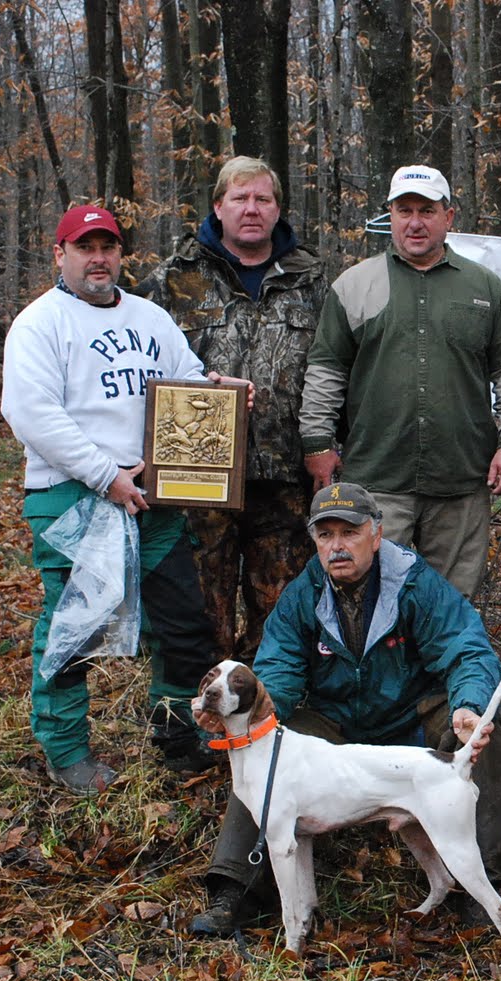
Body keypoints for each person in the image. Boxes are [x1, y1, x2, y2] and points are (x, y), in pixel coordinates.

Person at [190, 483, 501, 936]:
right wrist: (241, 716)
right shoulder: (303, 595)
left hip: (412, 718)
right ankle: (235, 891)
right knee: (261, 754)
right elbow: (275, 672)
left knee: (486, 742)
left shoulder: (415, 583)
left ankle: (481, 888)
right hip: (335, 726)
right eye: (325, 536)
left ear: (376, 535)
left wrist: (468, 706)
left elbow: (466, 649)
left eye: (350, 532)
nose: (337, 546)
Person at [0, 205, 241, 793]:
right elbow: (31, 414)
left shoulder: (149, 317)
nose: (99, 257)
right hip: (72, 499)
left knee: (180, 623)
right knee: (76, 629)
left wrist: (219, 393)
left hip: (153, 499)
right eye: (85, 247)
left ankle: (176, 736)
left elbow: (186, 381)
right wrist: (105, 473)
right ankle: (67, 753)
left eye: (108, 246)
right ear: (61, 255)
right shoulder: (40, 324)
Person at [298, 165, 501, 598]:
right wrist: (317, 443)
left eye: (427, 210)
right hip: (377, 480)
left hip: (462, 480)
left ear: (449, 216)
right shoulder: (354, 286)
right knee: (373, 604)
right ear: (390, 215)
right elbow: (326, 371)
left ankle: (444, 670)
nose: (415, 222)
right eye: (404, 210)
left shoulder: (486, 289)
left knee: (453, 606)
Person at [135, 156, 327, 662]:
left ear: (277, 209)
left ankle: (265, 719)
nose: (251, 209)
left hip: (285, 476)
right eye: (240, 199)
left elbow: (337, 371)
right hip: (194, 478)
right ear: (218, 206)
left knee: (283, 614)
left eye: (262, 199)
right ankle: (202, 724)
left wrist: (328, 445)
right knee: (199, 613)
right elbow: (136, 368)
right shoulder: (171, 281)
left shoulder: (314, 280)